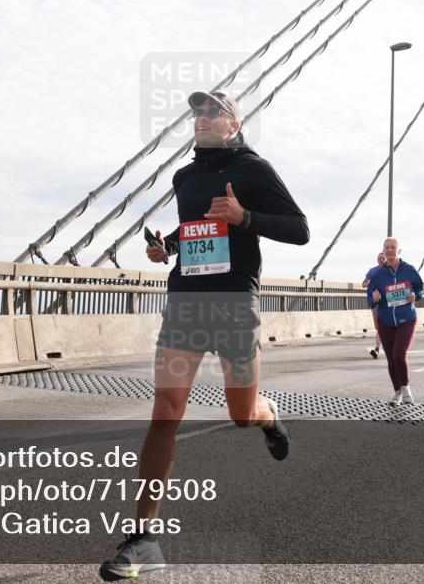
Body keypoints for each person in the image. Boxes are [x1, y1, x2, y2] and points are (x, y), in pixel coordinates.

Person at [100, 90, 309, 581]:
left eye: (214, 111)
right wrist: (166, 247)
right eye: (197, 112)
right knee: (165, 411)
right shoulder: (185, 176)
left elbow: (300, 229)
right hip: (186, 304)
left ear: (234, 125)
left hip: (235, 303)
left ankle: (268, 416)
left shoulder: (255, 169)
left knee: (241, 415)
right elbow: (194, 226)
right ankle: (144, 540)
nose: (203, 118)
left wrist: (246, 218)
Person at [367, 237, 424, 407]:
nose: (390, 250)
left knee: (399, 354)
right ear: (383, 251)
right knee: (391, 359)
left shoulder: (409, 270)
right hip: (385, 321)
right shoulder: (378, 275)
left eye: (393, 247)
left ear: (399, 251)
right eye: (387, 247)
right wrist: (374, 298)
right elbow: (370, 299)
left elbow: (419, 289)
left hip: (407, 318)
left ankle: (405, 387)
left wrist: (416, 296)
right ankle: (397, 392)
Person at [362, 252, 387, 359]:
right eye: (379, 258)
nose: (381, 259)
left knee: (388, 325)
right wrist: (372, 283)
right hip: (375, 302)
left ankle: (380, 347)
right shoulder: (373, 271)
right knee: (379, 327)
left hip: (388, 302)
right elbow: (364, 284)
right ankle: (377, 348)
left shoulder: (389, 270)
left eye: (383, 258)